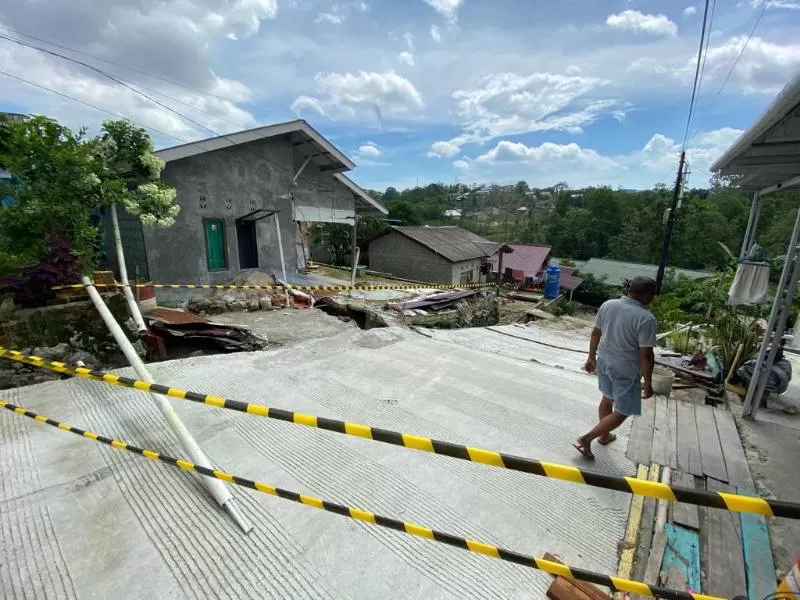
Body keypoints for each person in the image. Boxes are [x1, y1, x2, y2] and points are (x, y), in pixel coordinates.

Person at [574, 276, 658, 460]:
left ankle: (604, 435)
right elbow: (646, 354)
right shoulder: (646, 319)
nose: (653, 299)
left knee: (608, 398)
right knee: (624, 410)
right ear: (646, 295)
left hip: (604, 361)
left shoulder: (608, 305)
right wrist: (649, 382)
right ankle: (587, 438)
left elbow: (596, 333)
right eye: (653, 295)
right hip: (625, 368)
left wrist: (591, 357)